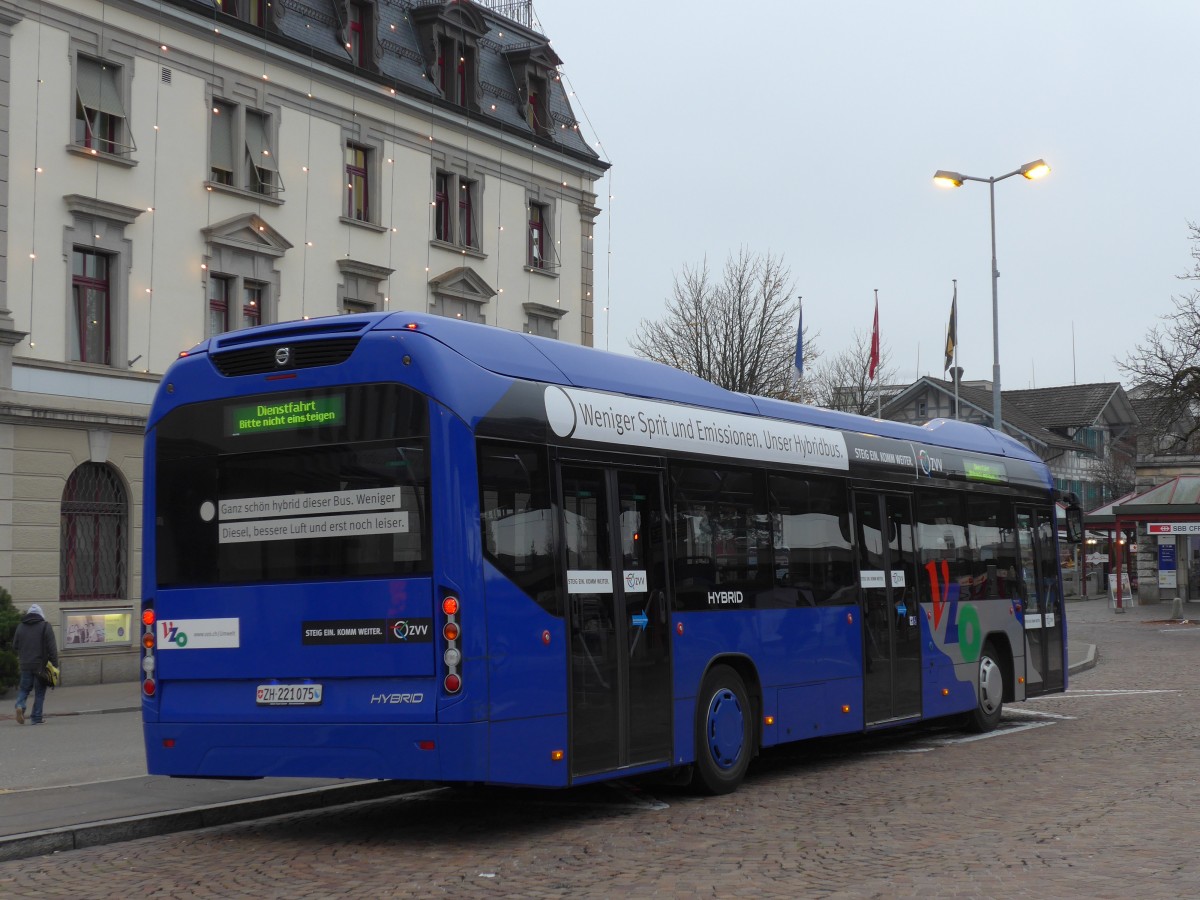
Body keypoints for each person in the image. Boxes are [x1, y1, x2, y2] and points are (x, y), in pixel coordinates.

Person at [13, 603, 59, 725]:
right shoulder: (45, 626)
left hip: (25, 664)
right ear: (40, 614)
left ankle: (19, 705)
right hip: (40, 665)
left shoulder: (20, 626)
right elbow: (52, 648)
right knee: (39, 691)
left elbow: (15, 646)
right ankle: (36, 717)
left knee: (24, 689)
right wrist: (55, 665)